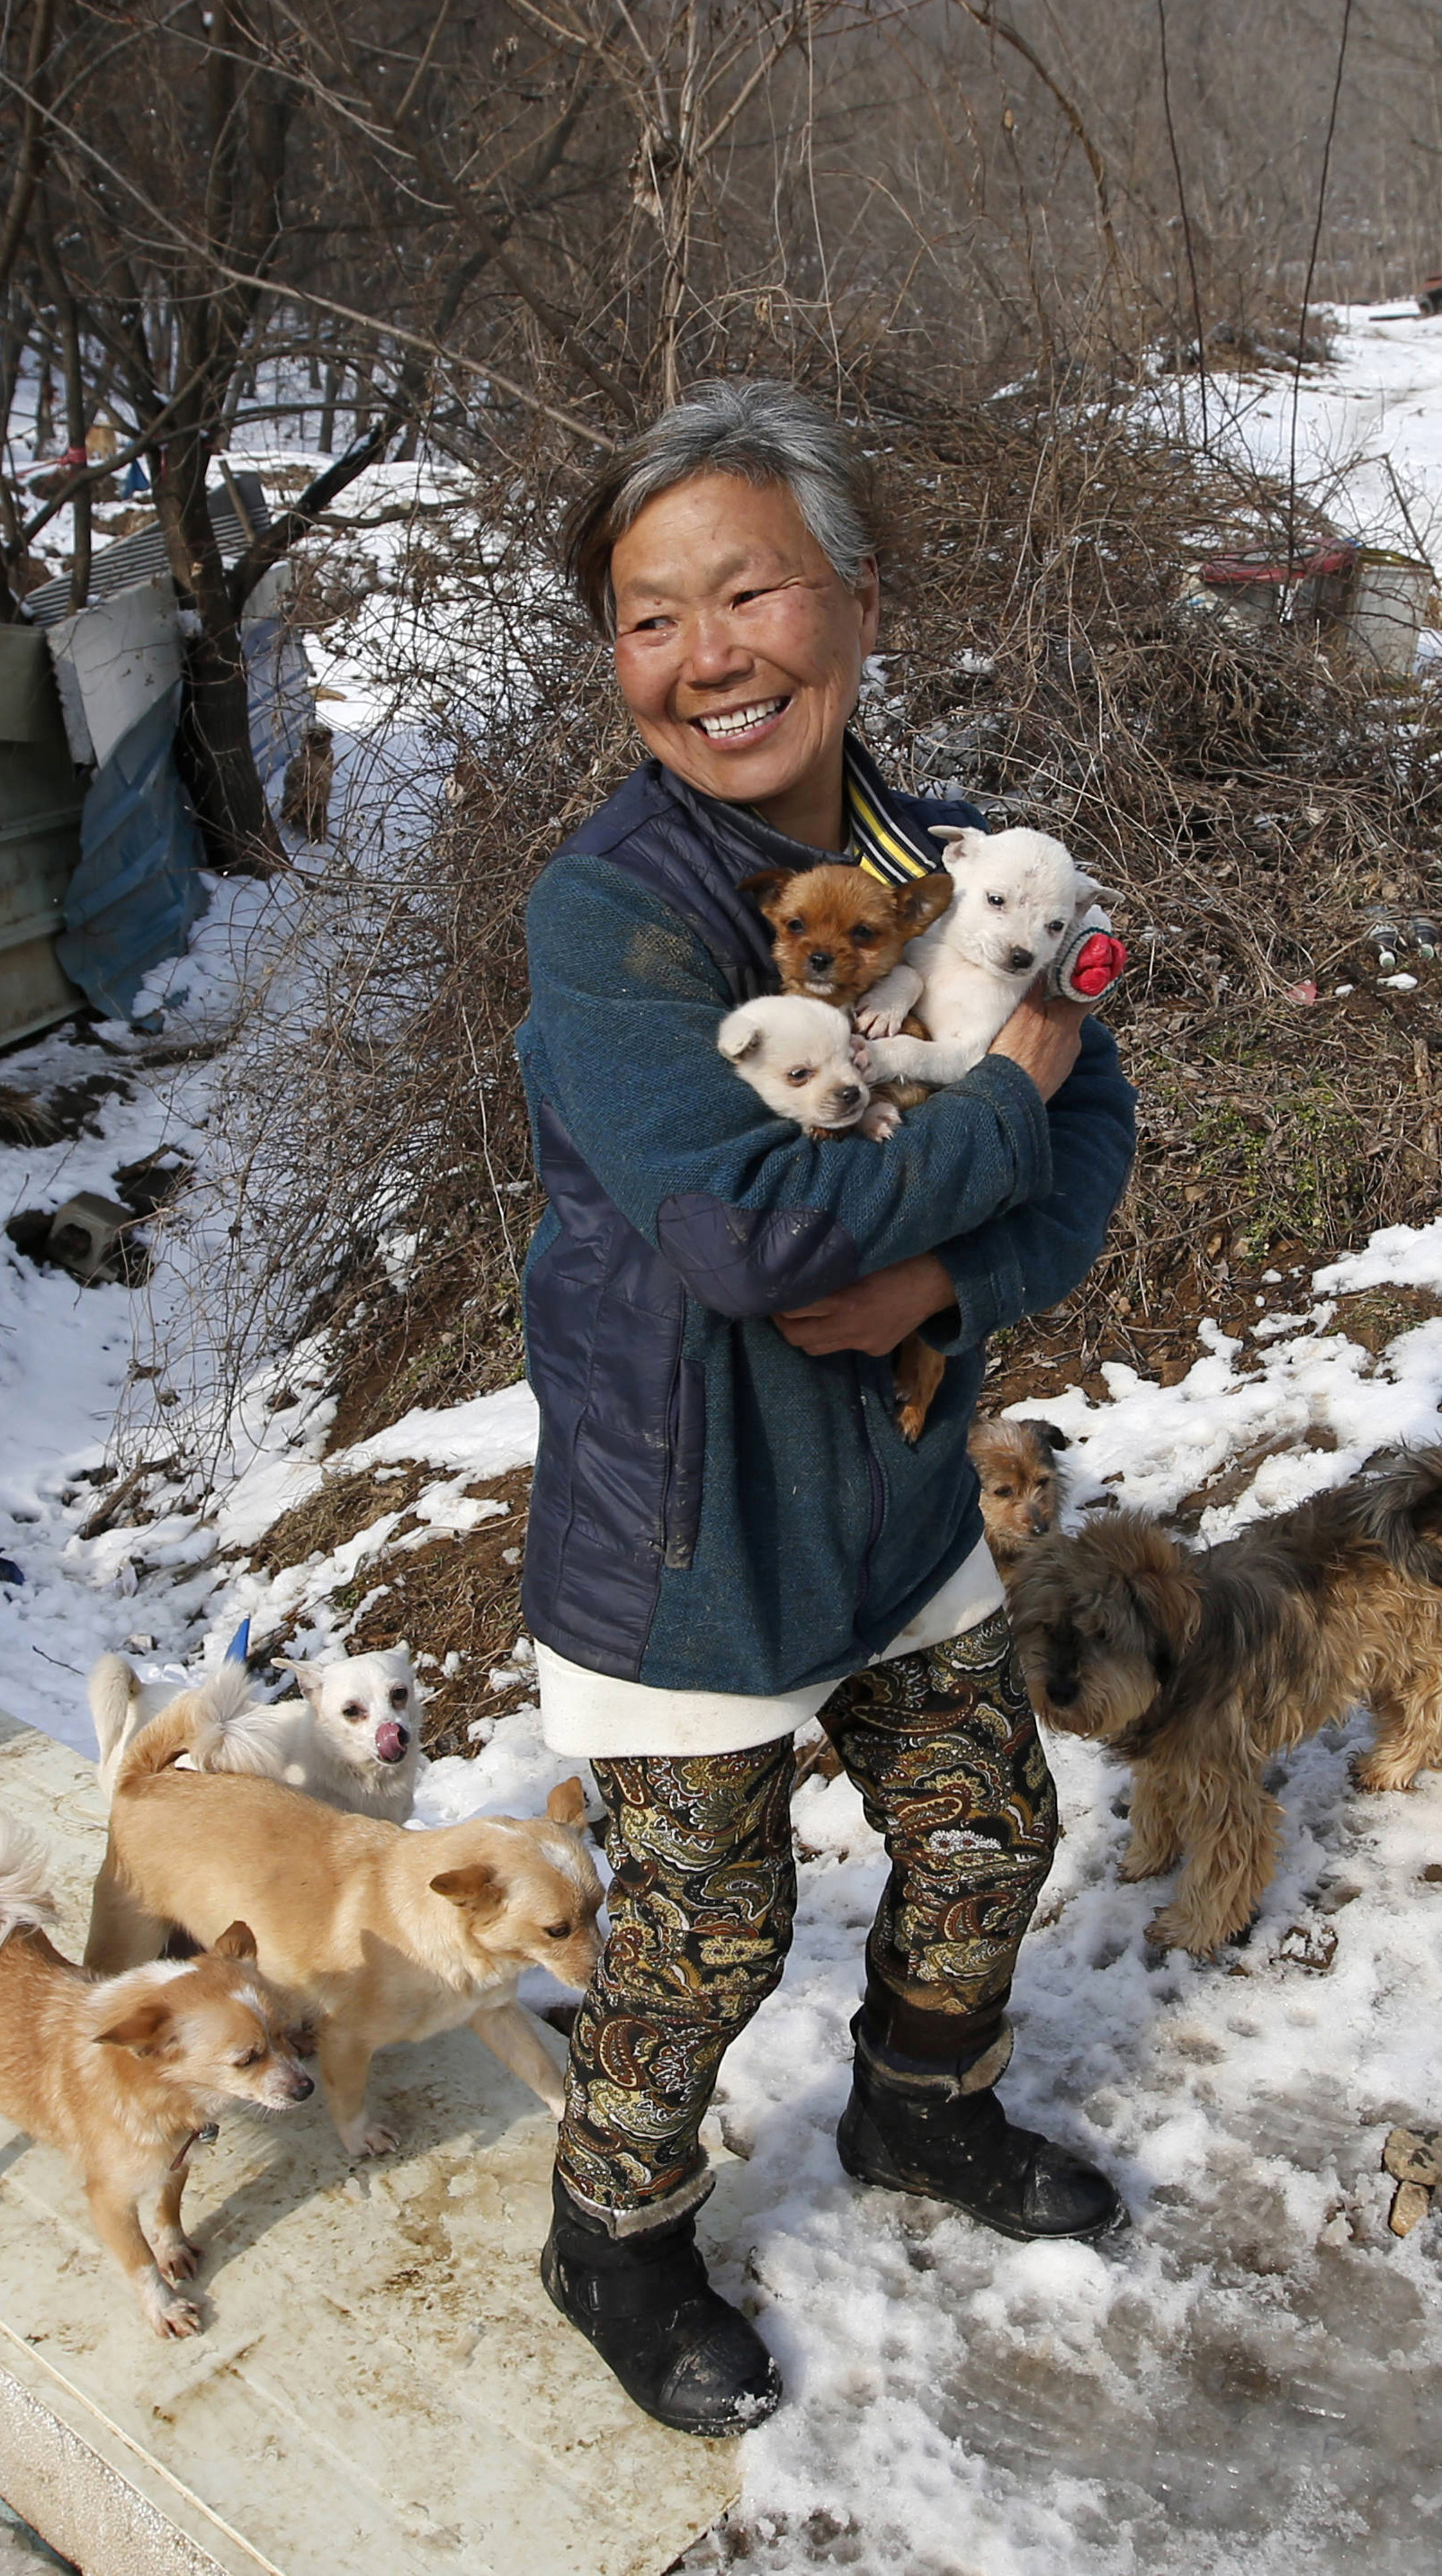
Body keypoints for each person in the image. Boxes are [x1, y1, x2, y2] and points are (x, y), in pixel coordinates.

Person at [514, 380, 1138, 2435]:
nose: (706, 657)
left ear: (854, 602)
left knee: (987, 1826)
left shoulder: (958, 864)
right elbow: (751, 1242)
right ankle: (612, 2232)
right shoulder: (609, 918)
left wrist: (940, 1271)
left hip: (890, 1481)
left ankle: (918, 2114)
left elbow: (1100, 1125)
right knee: (702, 1929)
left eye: (747, 590)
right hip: (684, 1526)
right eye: (648, 616)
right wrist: (1003, 1110)